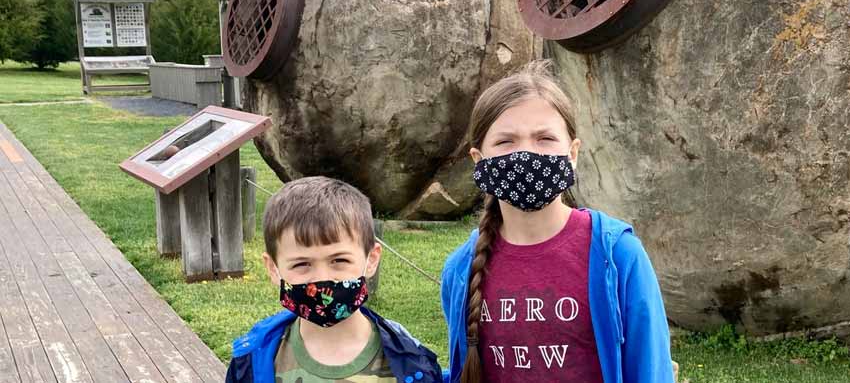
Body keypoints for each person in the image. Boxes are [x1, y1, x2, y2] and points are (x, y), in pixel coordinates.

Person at [440, 60, 676, 383]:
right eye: (506, 141)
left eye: (545, 139)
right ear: (479, 161)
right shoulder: (460, 271)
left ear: (573, 154)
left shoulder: (620, 257)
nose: (526, 154)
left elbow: (651, 371)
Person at [226, 176, 443, 383]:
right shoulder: (251, 361)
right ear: (273, 268)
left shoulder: (413, 364)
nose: (322, 279)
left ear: (371, 260)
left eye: (339, 260)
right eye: (302, 264)